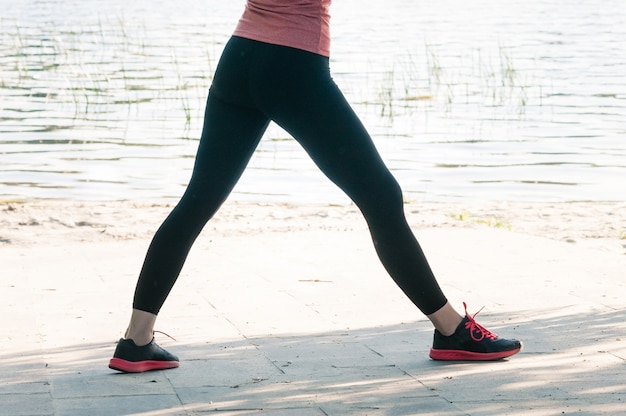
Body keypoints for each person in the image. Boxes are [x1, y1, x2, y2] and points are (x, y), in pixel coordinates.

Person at [108, 0, 521, 373]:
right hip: (292, 66)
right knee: (381, 198)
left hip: (239, 57)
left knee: (197, 201)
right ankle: (451, 330)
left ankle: (136, 339)